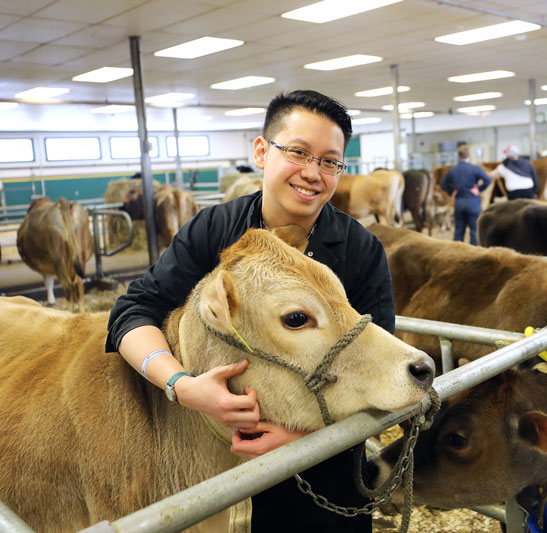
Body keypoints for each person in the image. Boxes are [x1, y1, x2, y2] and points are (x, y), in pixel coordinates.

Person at [106, 90, 393, 532]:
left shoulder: (361, 250)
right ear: (262, 151)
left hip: (323, 477)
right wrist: (180, 386)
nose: (312, 173)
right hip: (210, 463)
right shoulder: (213, 229)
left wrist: (305, 440)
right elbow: (133, 311)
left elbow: (380, 371)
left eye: (330, 161)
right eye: (298, 152)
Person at [440, 145, 492, 245]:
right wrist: (479, 189)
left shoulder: (453, 170)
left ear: (458, 156)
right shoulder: (476, 169)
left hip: (459, 202)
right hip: (473, 202)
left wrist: (452, 191)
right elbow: (488, 180)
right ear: (469, 155)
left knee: (459, 231)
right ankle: (474, 254)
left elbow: (443, 184)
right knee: (474, 231)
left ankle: (457, 255)